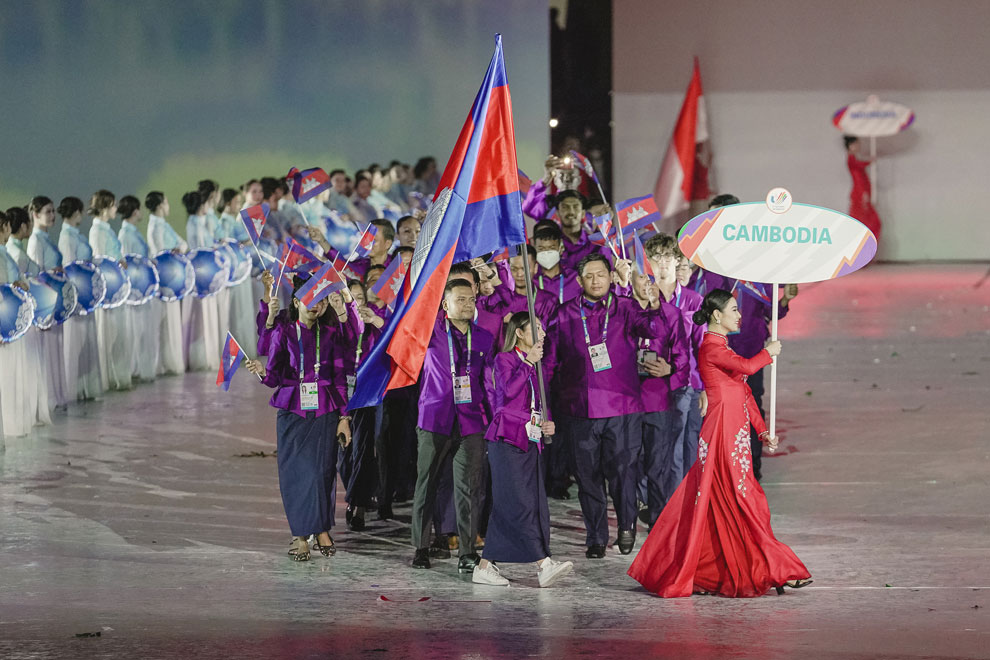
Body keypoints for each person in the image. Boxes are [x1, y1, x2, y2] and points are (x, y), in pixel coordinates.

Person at [628, 289, 812, 597]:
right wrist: (768, 352)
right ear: (717, 315)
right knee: (745, 501)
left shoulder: (724, 347)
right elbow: (748, 368)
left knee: (727, 505)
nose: (739, 315)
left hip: (734, 433)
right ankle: (778, 569)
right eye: (734, 309)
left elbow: (744, 393)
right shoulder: (711, 347)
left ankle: (713, 571)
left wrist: (762, 431)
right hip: (721, 435)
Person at [550, 254, 662, 557]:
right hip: (579, 409)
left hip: (622, 408)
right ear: (579, 280)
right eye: (589, 276)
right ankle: (596, 537)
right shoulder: (564, 314)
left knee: (624, 472)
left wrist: (652, 303)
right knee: (587, 476)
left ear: (612, 277)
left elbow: (653, 330)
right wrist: (546, 407)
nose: (596, 280)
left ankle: (626, 524)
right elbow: (549, 362)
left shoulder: (625, 307)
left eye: (601, 274)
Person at [244, 275, 353, 562]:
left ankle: (321, 529)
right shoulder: (284, 332)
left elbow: (340, 378)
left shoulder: (330, 334)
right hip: (292, 411)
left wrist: (344, 417)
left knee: (322, 473)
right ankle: (300, 535)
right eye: (309, 300)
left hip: (325, 411)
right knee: (296, 474)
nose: (315, 305)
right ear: (296, 302)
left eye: (320, 300)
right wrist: (262, 372)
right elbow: (274, 376)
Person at [472, 312, 574, 588]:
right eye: (536, 327)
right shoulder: (504, 359)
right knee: (520, 503)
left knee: (517, 503)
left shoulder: (537, 364)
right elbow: (508, 393)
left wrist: (547, 422)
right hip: (507, 438)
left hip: (530, 439)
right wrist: (528, 362)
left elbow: (538, 402)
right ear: (519, 332)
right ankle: (543, 564)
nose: (543, 333)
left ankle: (484, 566)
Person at [410, 279, 494, 573]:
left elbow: (489, 384)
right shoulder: (428, 332)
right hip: (434, 418)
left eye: (471, 299)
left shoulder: (483, 338)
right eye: (461, 300)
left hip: (471, 422)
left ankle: (467, 552)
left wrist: (492, 420)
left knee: (468, 488)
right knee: (427, 484)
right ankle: (421, 547)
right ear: (445, 305)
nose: (468, 304)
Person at [629, 268, 689, 528]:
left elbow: (683, 354)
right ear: (630, 279)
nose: (648, 283)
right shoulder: (620, 311)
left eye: (652, 279)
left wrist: (670, 369)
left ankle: (657, 519)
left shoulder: (671, 314)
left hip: (658, 398)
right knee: (626, 462)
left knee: (657, 463)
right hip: (624, 400)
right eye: (642, 277)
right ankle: (631, 513)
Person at [645, 233, 705, 485]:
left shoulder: (693, 300)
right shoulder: (643, 299)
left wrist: (705, 387)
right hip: (648, 383)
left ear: (678, 260)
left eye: (667, 257)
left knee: (683, 446)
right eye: (656, 257)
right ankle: (650, 499)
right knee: (649, 446)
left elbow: (702, 346)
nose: (662, 263)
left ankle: (681, 498)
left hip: (686, 383)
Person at [58, 196, 103, 399]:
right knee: (77, 340)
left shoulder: (76, 235)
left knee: (87, 339)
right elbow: (70, 269)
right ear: (76, 212)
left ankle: (86, 387)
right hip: (79, 297)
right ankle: (76, 388)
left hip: (87, 294)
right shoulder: (67, 237)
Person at [27, 196, 70, 409]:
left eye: (53, 211)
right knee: (49, 350)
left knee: (56, 348)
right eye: (48, 212)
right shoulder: (35, 241)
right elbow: (35, 276)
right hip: (47, 302)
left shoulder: (47, 238)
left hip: (56, 301)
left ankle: (58, 395)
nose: (53, 215)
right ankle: (50, 398)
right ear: (35, 215)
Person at [89, 189, 133, 391]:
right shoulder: (97, 231)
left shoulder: (106, 229)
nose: (116, 208)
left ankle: (118, 376)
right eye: (113, 205)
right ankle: (110, 377)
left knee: (117, 335)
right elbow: (100, 261)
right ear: (105, 207)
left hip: (117, 288)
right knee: (110, 334)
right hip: (109, 291)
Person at [117, 194, 160, 383]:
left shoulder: (132, 232)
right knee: (137, 328)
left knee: (143, 328)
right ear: (135, 212)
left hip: (143, 286)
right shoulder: (125, 234)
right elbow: (128, 262)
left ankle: (143, 366)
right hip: (135, 289)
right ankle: (136, 367)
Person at [146, 191, 186, 376]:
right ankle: (163, 362)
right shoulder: (154, 227)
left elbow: (183, 244)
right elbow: (158, 254)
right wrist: (172, 252)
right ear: (160, 205)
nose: (168, 206)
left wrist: (176, 249)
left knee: (171, 320)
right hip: (164, 279)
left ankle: (172, 360)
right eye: (167, 202)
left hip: (172, 276)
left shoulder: (164, 225)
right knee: (164, 322)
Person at [532, 223, 582, 305]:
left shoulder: (575, 279)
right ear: (535, 250)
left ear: (560, 249)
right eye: (541, 249)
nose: (546, 253)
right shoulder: (531, 281)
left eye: (551, 248)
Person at [845, 135, 882, 245]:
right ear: (850, 146)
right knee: (865, 221)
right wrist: (870, 161)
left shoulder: (854, 159)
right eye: (855, 144)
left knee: (870, 221)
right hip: (860, 194)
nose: (858, 146)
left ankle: (865, 245)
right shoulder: (851, 160)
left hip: (863, 193)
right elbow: (858, 166)